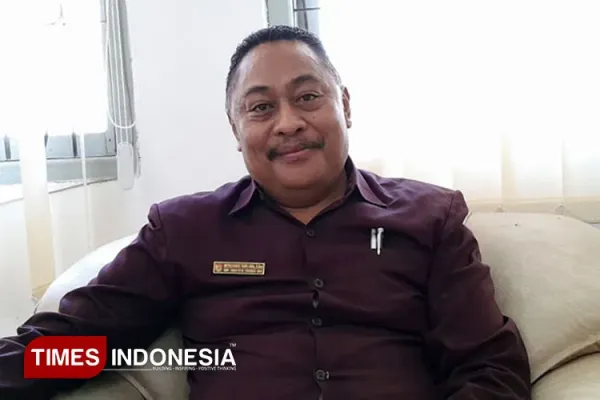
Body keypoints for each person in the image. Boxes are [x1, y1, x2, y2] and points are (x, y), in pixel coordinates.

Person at [0, 25, 531, 399]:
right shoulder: (185, 231)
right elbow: (78, 342)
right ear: (236, 130)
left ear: (345, 105)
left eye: (308, 97)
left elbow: (487, 366)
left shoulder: (430, 219)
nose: (288, 123)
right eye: (260, 108)